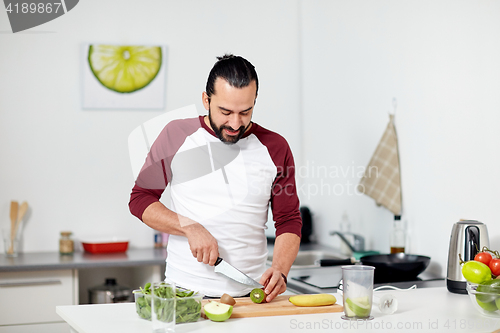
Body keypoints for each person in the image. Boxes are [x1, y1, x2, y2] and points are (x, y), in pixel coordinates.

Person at [129, 54, 302, 302]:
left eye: (245, 111)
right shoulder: (176, 135)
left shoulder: (275, 147)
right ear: (206, 100)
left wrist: (280, 270)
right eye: (225, 111)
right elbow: (140, 199)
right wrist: (189, 226)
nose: (235, 123)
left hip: (250, 296)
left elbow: (288, 219)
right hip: (184, 295)